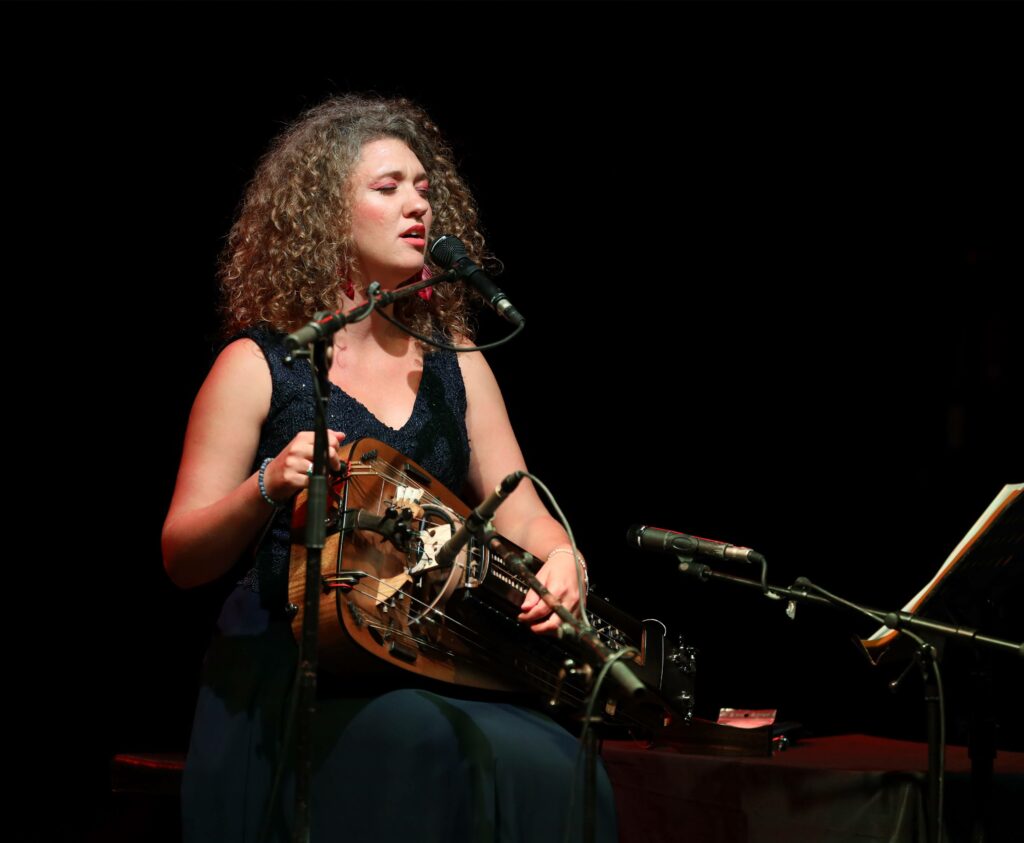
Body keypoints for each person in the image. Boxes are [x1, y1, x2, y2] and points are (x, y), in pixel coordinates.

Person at [162, 94, 616, 843]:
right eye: (388, 188)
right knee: (428, 744)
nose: (417, 207)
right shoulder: (257, 364)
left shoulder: (456, 362)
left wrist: (562, 553)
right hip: (298, 669)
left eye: (425, 189)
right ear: (325, 216)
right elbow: (182, 553)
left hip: (424, 659)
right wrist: (265, 484)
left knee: (565, 761)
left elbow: (520, 504)